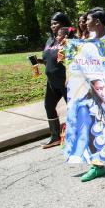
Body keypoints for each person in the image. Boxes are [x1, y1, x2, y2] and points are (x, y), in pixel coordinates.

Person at [81, 7, 105, 182]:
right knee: (95, 129)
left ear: (97, 22)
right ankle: (97, 166)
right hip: (93, 95)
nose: (85, 22)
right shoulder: (86, 43)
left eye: (88, 19)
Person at [38, 12, 72, 149]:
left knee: (73, 108)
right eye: (51, 23)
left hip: (66, 80)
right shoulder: (50, 40)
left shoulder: (69, 38)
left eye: (56, 23)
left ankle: (75, 135)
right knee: (48, 106)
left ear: (63, 23)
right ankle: (55, 136)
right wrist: (40, 61)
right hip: (52, 81)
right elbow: (48, 58)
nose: (53, 26)